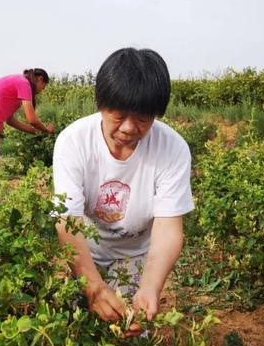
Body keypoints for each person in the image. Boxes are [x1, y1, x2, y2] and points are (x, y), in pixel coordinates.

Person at [52, 47, 194, 337]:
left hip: (135, 255)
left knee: (128, 328)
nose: (129, 128)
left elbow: (169, 227)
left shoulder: (172, 148)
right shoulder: (74, 142)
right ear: (102, 105)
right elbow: (68, 218)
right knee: (76, 327)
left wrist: (151, 287)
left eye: (143, 119)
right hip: (85, 250)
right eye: (119, 116)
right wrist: (93, 286)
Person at [0, 68, 54, 171]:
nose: (40, 91)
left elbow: (10, 121)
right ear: (40, 79)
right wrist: (46, 130)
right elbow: (32, 119)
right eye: (43, 87)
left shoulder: (19, 82)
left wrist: (37, 132)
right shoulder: (24, 83)